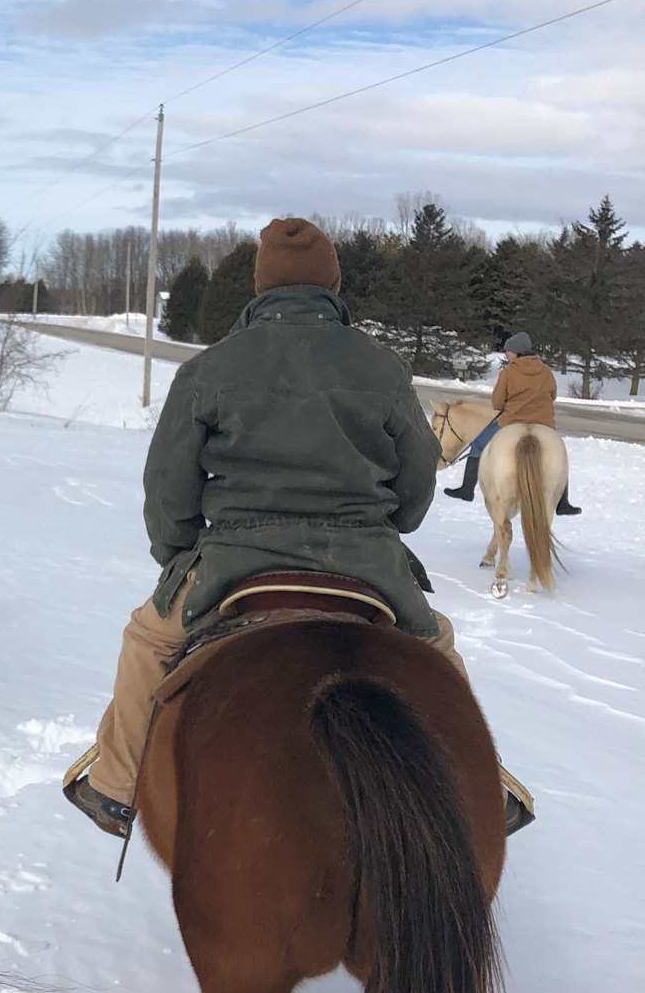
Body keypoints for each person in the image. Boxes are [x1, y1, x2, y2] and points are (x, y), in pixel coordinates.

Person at [64, 216, 534, 844]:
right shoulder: (383, 367)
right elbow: (416, 488)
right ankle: (483, 786)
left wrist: (178, 557)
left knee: (148, 641)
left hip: (232, 559)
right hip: (367, 561)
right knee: (436, 651)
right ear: (333, 284)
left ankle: (117, 788)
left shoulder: (209, 368)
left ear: (259, 288)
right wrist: (384, 527)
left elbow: (168, 491)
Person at [442, 331, 580, 512]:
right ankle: (563, 503)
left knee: (477, 445)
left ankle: (466, 490)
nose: (506, 354)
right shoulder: (546, 371)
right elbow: (552, 395)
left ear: (517, 352)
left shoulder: (508, 373)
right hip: (544, 423)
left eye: (508, 351)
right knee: (560, 454)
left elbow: (497, 403)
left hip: (511, 421)